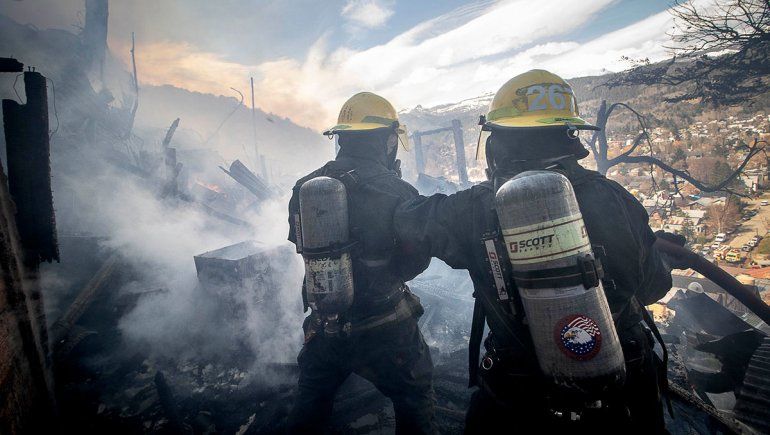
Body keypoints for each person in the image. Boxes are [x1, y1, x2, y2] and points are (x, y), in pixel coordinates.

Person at [395, 70, 672, 433]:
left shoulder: (471, 209)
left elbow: (407, 220)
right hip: (620, 387)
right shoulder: (615, 199)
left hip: (519, 392)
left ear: (499, 143)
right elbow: (654, 286)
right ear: (569, 136)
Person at [286, 92, 435, 434]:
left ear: (341, 138)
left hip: (327, 324)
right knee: (415, 396)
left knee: (310, 404)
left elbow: (300, 245)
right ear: (386, 141)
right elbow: (416, 260)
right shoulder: (399, 193)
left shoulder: (303, 188)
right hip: (387, 327)